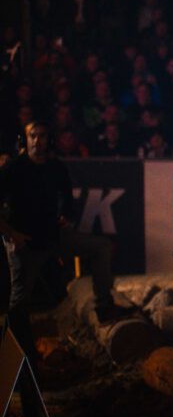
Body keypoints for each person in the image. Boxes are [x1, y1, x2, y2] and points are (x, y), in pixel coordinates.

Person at [0, 121, 117, 366]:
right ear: (25, 140)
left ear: (48, 140)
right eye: (33, 136)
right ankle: (20, 359)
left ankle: (104, 306)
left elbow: (66, 198)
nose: (37, 141)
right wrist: (12, 234)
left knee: (101, 247)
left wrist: (65, 215)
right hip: (26, 244)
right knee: (18, 305)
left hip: (54, 237)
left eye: (42, 136)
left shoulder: (56, 168)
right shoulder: (14, 169)